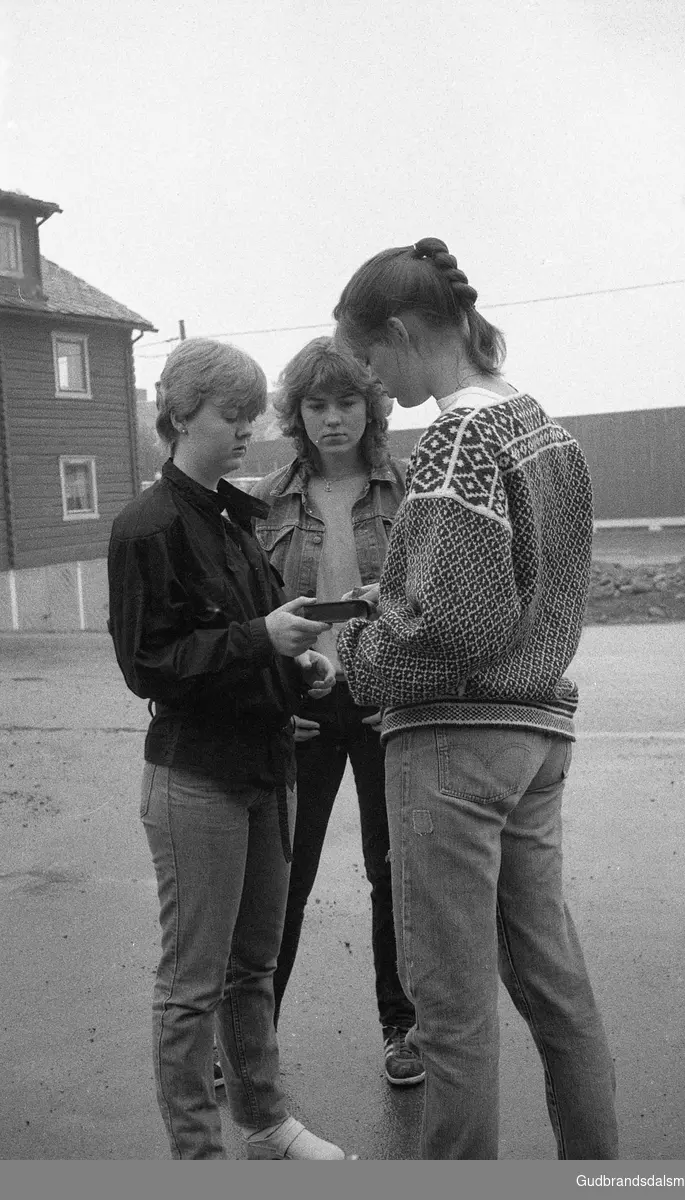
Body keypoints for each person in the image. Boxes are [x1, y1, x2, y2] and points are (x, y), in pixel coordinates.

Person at [333, 238, 619, 1160]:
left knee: (449, 1013)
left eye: (369, 362)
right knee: (554, 988)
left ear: (405, 331)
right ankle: (600, 1174)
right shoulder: (545, 429)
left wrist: (349, 659)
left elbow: (451, 623)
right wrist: (390, 608)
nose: (371, 386)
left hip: (454, 745)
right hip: (535, 736)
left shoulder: (457, 435)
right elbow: (514, 589)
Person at [107, 337, 348, 1160]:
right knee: (189, 988)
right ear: (179, 415)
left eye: (251, 412)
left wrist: (298, 665)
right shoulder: (147, 527)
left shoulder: (232, 518)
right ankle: (197, 1159)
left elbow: (250, 645)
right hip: (195, 780)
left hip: (263, 768)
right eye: (229, 413)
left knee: (253, 966)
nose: (247, 427)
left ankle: (267, 1122)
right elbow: (149, 667)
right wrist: (259, 638)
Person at [249, 336, 424, 1086]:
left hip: (387, 701)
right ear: (295, 413)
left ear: (370, 406)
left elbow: (429, 602)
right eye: (315, 405)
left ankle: (404, 1031)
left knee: (396, 870)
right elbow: (249, 613)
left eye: (346, 402)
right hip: (305, 703)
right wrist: (269, 700)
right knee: (282, 875)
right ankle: (251, 1043)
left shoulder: (411, 487)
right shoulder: (262, 499)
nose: (332, 419)